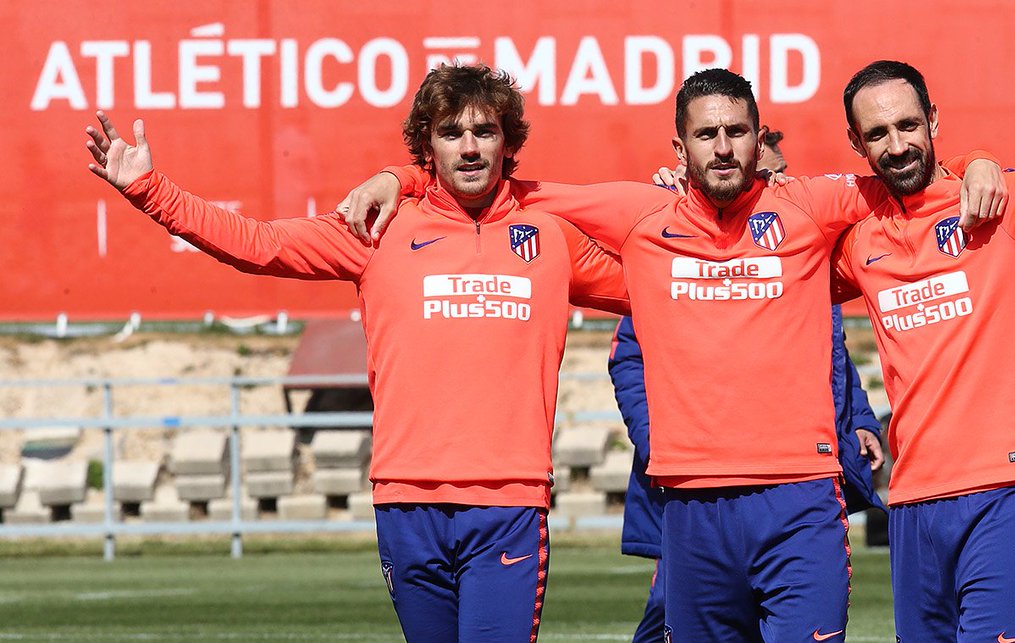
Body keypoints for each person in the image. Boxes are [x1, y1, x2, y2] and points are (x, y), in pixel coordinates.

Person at [336, 69, 1005, 641]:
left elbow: (908, 181)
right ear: (681, 148)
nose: (725, 148)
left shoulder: (811, 213)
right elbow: (497, 187)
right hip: (691, 500)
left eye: (739, 133)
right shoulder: (649, 228)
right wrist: (409, 178)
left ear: (760, 141)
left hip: (798, 495)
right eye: (707, 136)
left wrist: (978, 159)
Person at [84, 64, 630, 643]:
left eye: (484, 132)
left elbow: (660, 291)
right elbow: (259, 244)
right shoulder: (379, 227)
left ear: (508, 141)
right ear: (427, 145)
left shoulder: (550, 237)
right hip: (403, 503)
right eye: (451, 133)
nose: (469, 148)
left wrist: (701, 210)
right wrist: (151, 190)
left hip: (508, 504)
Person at [830, 15, 1015, 641]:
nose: (897, 144)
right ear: (858, 146)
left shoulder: (1003, 203)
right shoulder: (858, 242)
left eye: (908, 125)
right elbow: (766, 266)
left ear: (933, 121)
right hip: (912, 499)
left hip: (1007, 486)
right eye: (877, 133)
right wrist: (686, 193)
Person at [610, 304, 884, 643]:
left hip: (795, 489)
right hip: (699, 493)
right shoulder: (667, 256)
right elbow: (629, 355)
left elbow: (828, 346)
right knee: (663, 618)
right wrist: (662, 440)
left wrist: (857, 418)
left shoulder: (804, 252)